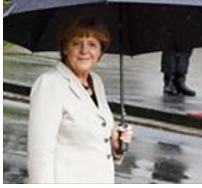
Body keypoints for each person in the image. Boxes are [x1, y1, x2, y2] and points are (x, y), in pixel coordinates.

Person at [27, 17, 134, 183]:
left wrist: (117, 146)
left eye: (92, 44)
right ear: (65, 49)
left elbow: (97, 140)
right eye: (76, 43)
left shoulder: (96, 81)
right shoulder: (50, 84)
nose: (84, 50)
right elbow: (39, 154)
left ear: (100, 51)